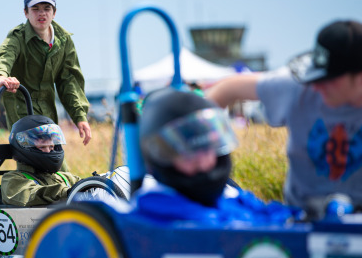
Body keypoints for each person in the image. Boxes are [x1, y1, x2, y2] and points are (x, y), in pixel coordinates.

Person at [207, 20, 362, 218]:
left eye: (329, 78)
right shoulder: (298, 86)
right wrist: (208, 147)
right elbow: (226, 89)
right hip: (302, 221)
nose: (316, 86)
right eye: (316, 75)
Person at [128, 88, 300, 225]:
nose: (203, 162)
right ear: (161, 156)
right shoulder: (158, 205)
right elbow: (220, 227)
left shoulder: (228, 196)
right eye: (188, 155)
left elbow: (272, 213)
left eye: (207, 148)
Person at [0, 0, 92, 146]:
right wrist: (1, 78)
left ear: (54, 12)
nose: (42, 13)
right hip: (20, 104)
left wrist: (80, 117)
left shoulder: (64, 41)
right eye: (35, 9)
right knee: (32, 157)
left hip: (48, 107)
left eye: (47, 8)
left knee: (54, 160)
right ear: (26, 13)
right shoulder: (18, 37)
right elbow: (2, 57)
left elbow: (69, 82)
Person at [1, 115, 81, 206]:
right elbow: (33, 194)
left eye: (51, 147)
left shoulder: (64, 177)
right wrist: (66, 192)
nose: (48, 151)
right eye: (42, 147)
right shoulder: (13, 179)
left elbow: (85, 185)